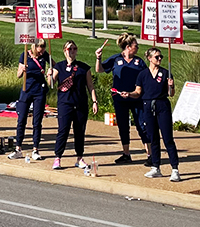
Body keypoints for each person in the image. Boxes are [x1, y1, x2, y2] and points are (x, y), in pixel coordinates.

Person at [126, 47, 180, 182]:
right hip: (148, 106)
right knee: (153, 138)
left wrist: (171, 86)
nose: (160, 59)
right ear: (149, 58)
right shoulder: (143, 75)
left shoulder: (166, 73)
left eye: (160, 57)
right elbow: (138, 92)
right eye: (157, 57)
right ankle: (156, 166)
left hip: (162, 105)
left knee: (168, 138)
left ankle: (175, 169)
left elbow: (170, 94)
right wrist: (129, 94)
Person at [96, 33, 149, 164]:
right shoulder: (116, 59)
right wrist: (98, 58)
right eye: (135, 45)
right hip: (120, 98)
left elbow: (146, 77)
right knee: (123, 126)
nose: (137, 48)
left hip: (137, 98)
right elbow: (100, 70)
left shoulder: (139, 62)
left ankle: (150, 154)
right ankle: (126, 153)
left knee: (142, 125)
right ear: (128, 47)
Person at [50, 40, 98, 171]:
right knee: (63, 130)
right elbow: (52, 84)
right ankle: (58, 157)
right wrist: (49, 75)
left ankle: (79, 157)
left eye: (74, 49)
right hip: (65, 103)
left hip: (80, 103)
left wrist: (94, 101)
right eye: (69, 49)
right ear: (64, 51)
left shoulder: (84, 68)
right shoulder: (58, 67)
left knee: (80, 131)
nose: (72, 51)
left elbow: (90, 86)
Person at [9, 38, 50, 161]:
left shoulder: (44, 56)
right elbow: (18, 75)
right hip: (27, 90)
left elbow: (54, 64)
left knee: (37, 122)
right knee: (21, 120)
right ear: (34, 46)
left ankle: (35, 149)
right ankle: (18, 148)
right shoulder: (25, 55)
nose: (42, 50)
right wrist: (22, 70)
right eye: (40, 47)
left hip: (39, 91)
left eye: (44, 47)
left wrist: (50, 72)